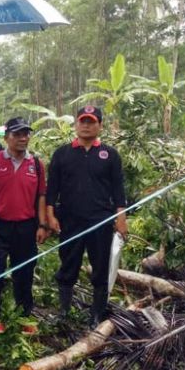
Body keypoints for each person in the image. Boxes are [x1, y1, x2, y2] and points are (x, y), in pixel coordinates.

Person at [46, 106, 128, 328]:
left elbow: (118, 189)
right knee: (68, 264)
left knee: (100, 267)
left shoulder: (110, 155)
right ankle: (64, 312)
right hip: (70, 220)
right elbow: (52, 189)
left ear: (100, 126)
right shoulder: (62, 154)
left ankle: (96, 315)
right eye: (82, 121)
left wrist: (121, 217)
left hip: (100, 221)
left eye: (91, 122)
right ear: (76, 124)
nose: (86, 125)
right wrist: (50, 215)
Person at [0, 102, 49, 333]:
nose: (22, 138)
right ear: (7, 137)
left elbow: (41, 196)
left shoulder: (37, 165)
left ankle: (24, 317)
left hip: (26, 227)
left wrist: (42, 224)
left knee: (24, 273)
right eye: (17, 134)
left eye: (25, 134)